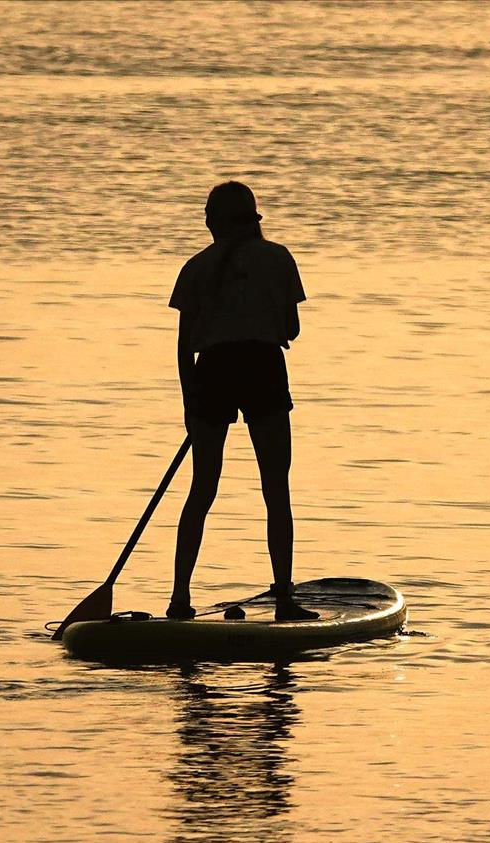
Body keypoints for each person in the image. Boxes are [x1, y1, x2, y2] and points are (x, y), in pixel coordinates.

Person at [167, 181, 319, 622]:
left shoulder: (195, 267)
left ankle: (180, 599)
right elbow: (290, 329)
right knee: (276, 489)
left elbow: (183, 349)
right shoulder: (278, 258)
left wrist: (189, 403)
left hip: (211, 372)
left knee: (202, 489)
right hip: (261, 366)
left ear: (213, 223)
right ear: (253, 221)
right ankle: (285, 600)